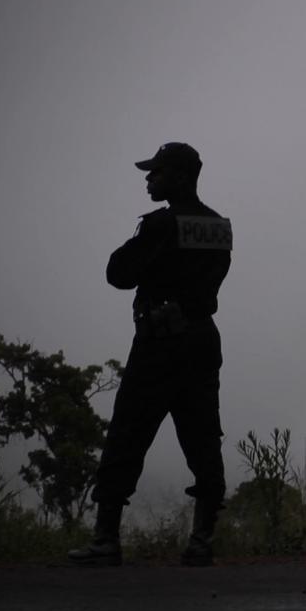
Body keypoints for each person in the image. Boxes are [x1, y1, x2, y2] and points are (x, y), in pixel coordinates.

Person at [69, 142, 233, 566]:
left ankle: (106, 540)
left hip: (159, 343)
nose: (148, 179)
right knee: (203, 438)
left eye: (156, 173)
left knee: (127, 434)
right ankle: (202, 541)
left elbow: (118, 274)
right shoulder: (218, 226)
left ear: (178, 176)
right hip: (201, 341)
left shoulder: (160, 225)